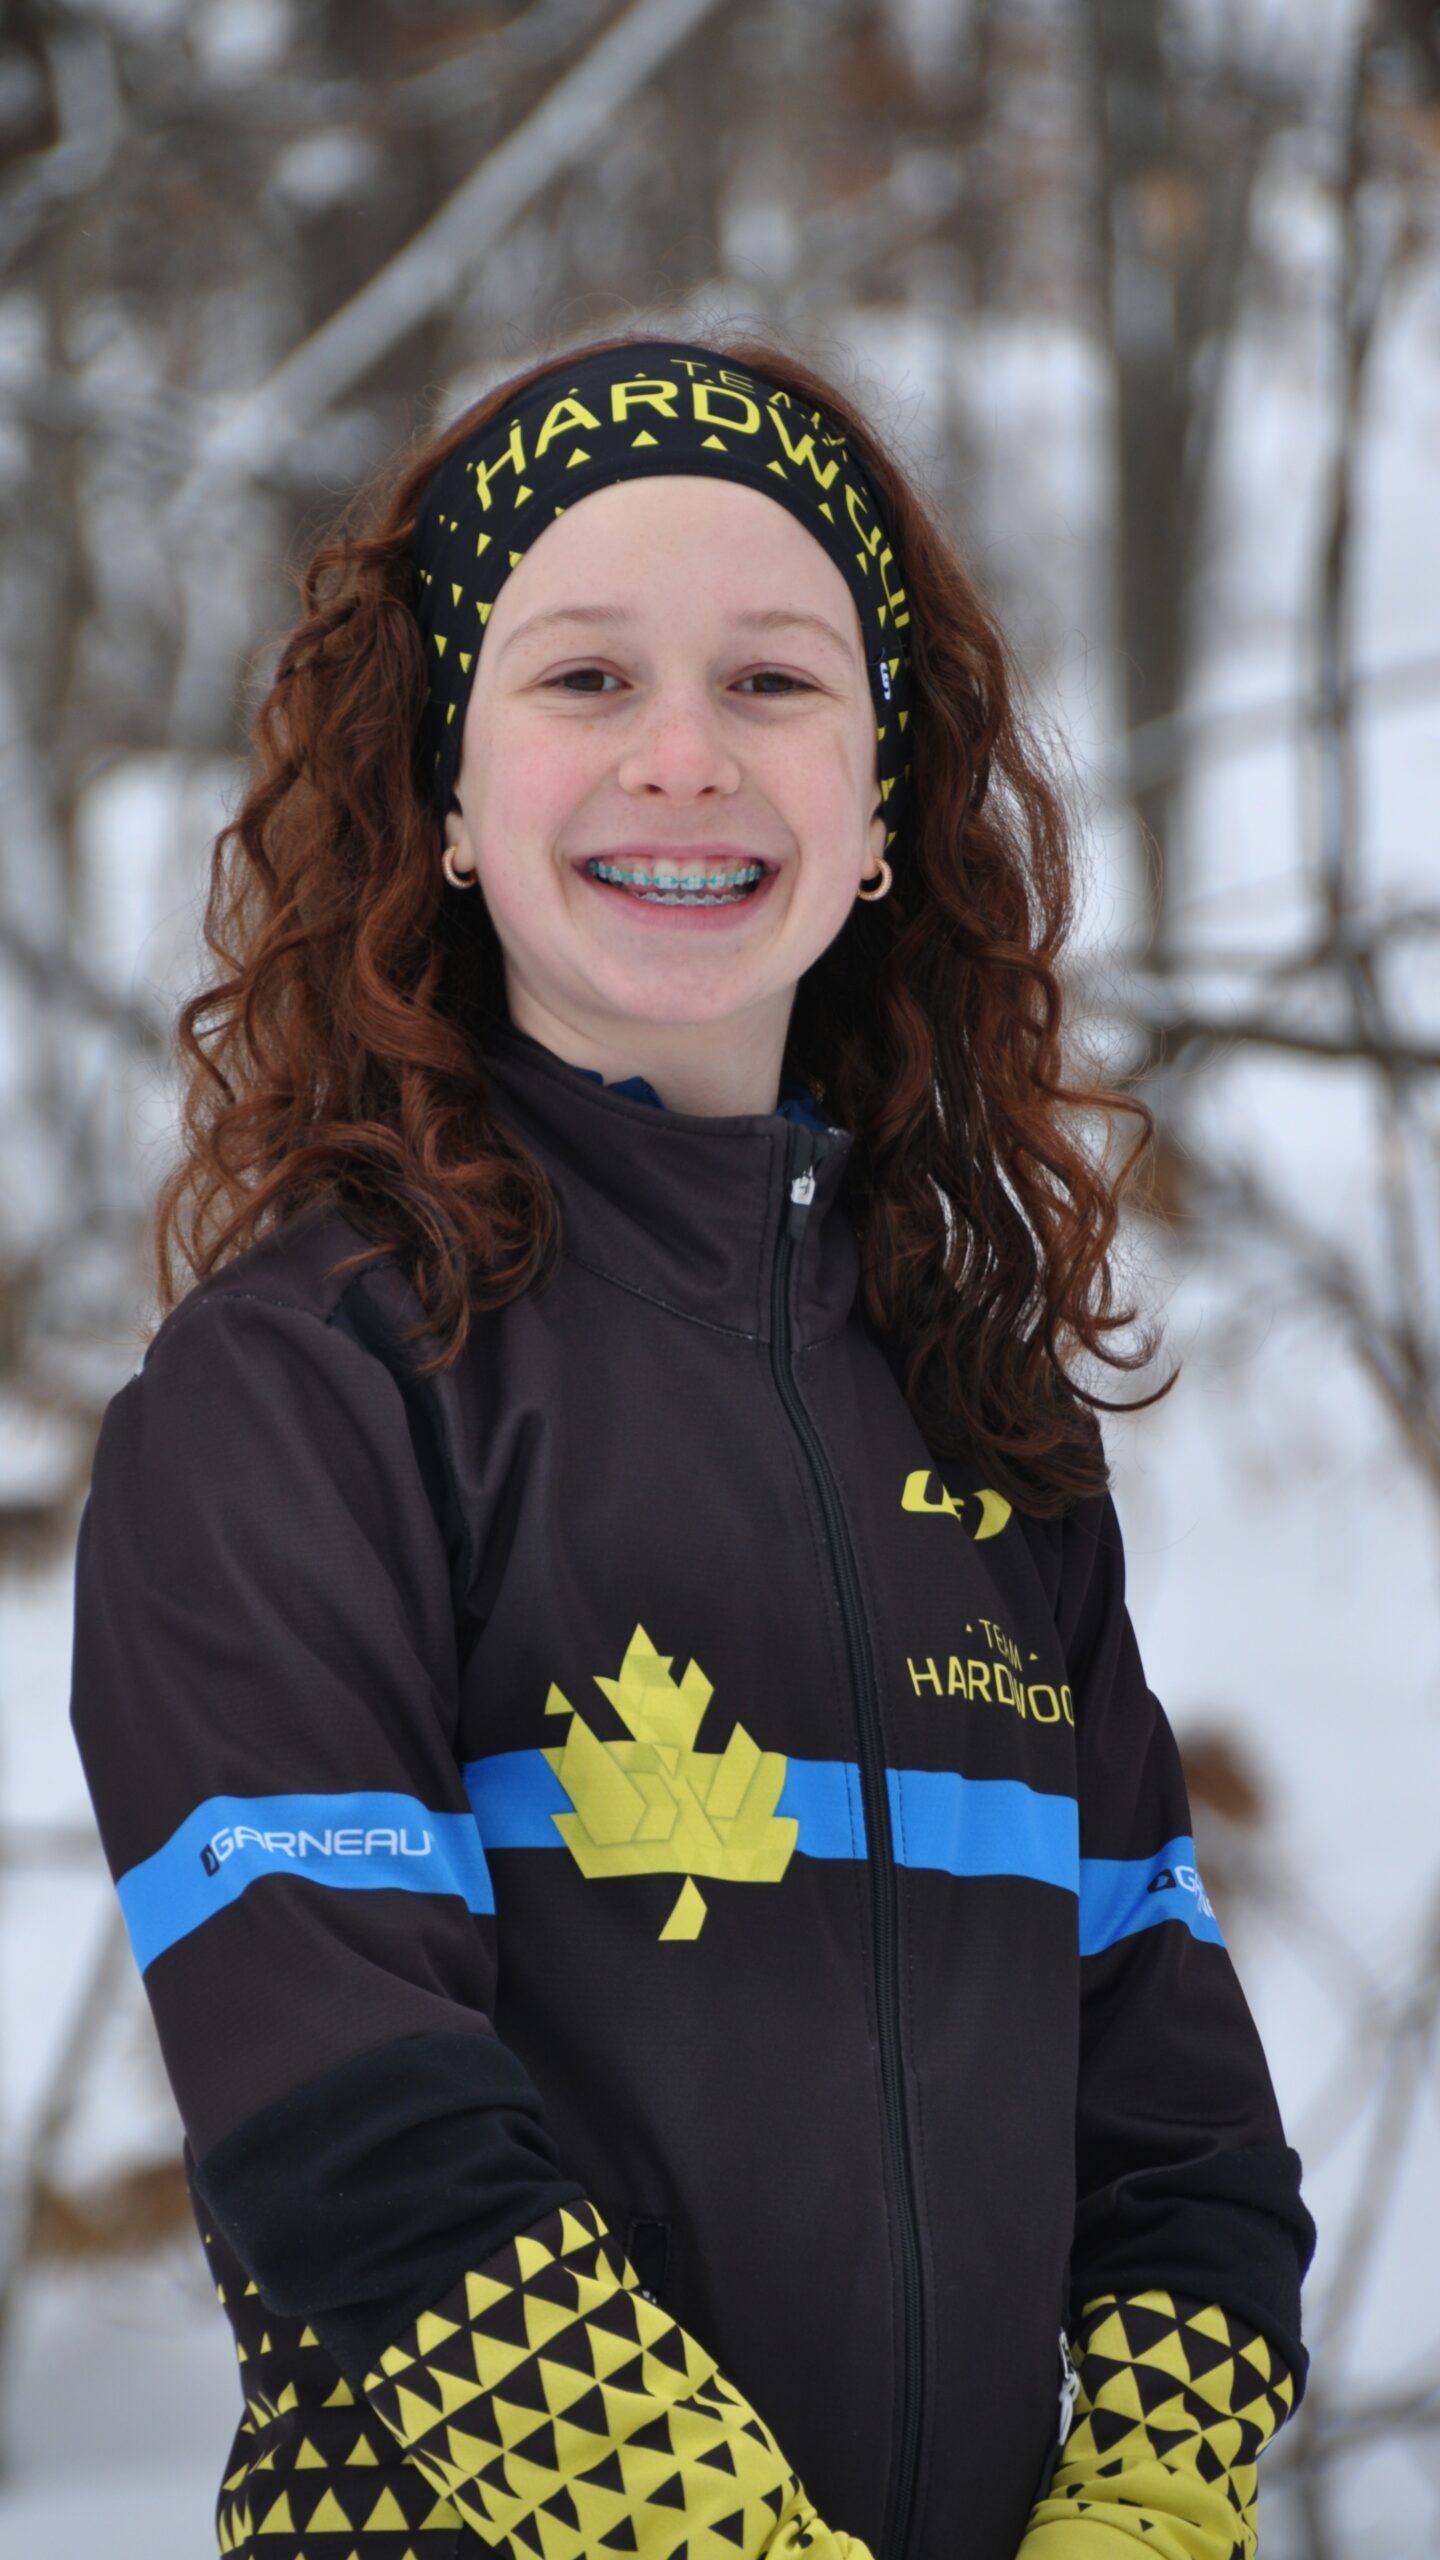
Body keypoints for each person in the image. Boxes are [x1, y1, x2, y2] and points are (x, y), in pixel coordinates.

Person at [69, 331, 1314, 2560]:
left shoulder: (980, 1418)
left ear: (879, 802)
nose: (683, 756)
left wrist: (1150, 2494)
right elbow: (359, 2132)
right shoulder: (304, 1394)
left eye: (771, 680)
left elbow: (1183, 2135)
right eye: (582, 678)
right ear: (449, 799)